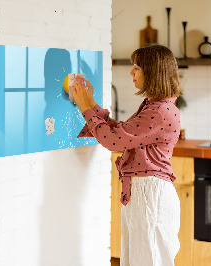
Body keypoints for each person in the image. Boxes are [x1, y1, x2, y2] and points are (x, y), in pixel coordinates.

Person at [70, 44, 182, 266]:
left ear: (153, 72)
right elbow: (121, 133)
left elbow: (113, 141)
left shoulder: (159, 111)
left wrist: (85, 108)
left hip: (150, 195)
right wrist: (91, 103)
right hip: (145, 193)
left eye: (137, 67)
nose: (131, 72)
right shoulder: (155, 106)